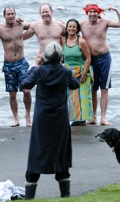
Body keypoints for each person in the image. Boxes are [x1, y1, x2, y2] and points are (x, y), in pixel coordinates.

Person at [21, 42, 79, 199]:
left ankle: (30, 193)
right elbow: (75, 85)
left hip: (42, 118)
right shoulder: (65, 72)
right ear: (61, 57)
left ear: (45, 57)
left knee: (37, 152)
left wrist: (34, 65)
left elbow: (25, 84)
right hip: (60, 118)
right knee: (61, 153)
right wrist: (63, 67)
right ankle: (65, 194)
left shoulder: (39, 71)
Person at [80, 4, 120, 125]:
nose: (92, 14)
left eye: (95, 12)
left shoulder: (104, 22)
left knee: (104, 89)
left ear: (98, 13)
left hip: (104, 58)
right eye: (90, 12)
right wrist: (58, 21)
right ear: (87, 13)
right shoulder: (82, 25)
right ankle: (93, 117)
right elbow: (68, 28)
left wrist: (116, 10)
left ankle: (103, 118)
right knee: (93, 89)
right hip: (91, 59)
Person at [0, 6, 32, 127]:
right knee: (12, 93)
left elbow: (37, 26)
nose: (11, 16)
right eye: (8, 14)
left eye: (12, 14)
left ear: (15, 15)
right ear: (4, 16)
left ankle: (27, 115)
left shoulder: (20, 25)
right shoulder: (0, 30)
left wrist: (57, 22)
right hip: (9, 65)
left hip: (22, 63)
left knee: (26, 91)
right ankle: (16, 118)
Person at [61, 18, 93, 125]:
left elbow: (88, 58)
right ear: (66, 28)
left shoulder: (81, 42)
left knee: (82, 97)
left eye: (74, 27)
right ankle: (72, 119)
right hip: (67, 72)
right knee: (70, 97)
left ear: (77, 29)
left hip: (81, 71)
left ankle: (81, 120)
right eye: (69, 26)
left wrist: (84, 73)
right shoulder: (63, 40)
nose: (71, 28)